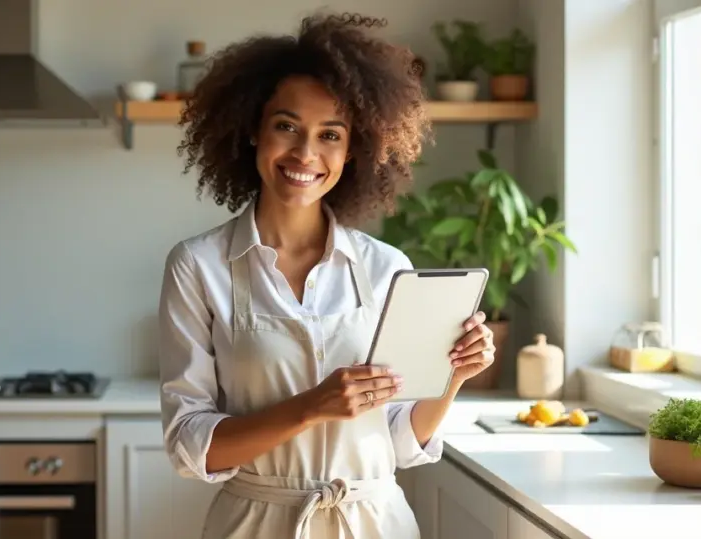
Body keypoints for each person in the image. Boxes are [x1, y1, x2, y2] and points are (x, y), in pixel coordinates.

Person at [157, 12, 496, 539]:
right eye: (286, 126)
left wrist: (453, 376)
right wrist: (310, 407)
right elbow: (190, 446)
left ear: (353, 149)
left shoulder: (387, 268)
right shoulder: (198, 266)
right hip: (255, 524)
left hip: (375, 523)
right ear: (253, 130)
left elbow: (399, 439)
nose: (306, 153)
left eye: (330, 134)